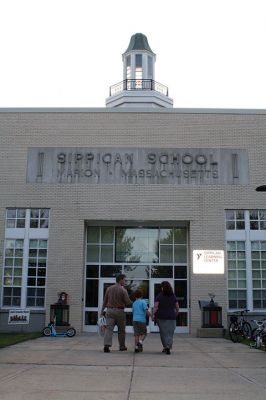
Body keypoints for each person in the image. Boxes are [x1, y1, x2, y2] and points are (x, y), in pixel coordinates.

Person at [101, 274, 132, 353]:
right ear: (120, 280)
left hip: (109, 311)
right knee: (121, 330)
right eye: (124, 280)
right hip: (120, 311)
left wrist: (102, 312)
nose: (125, 282)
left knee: (109, 329)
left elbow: (104, 301)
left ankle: (106, 345)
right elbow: (128, 302)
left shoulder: (109, 289)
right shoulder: (123, 290)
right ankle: (122, 346)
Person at [153, 281, 179, 355]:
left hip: (161, 317)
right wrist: (175, 314)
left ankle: (165, 347)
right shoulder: (173, 296)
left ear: (162, 287)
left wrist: (153, 315)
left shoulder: (159, 296)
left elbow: (155, 307)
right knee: (170, 334)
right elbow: (177, 307)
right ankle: (168, 346)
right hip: (171, 317)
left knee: (163, 333)